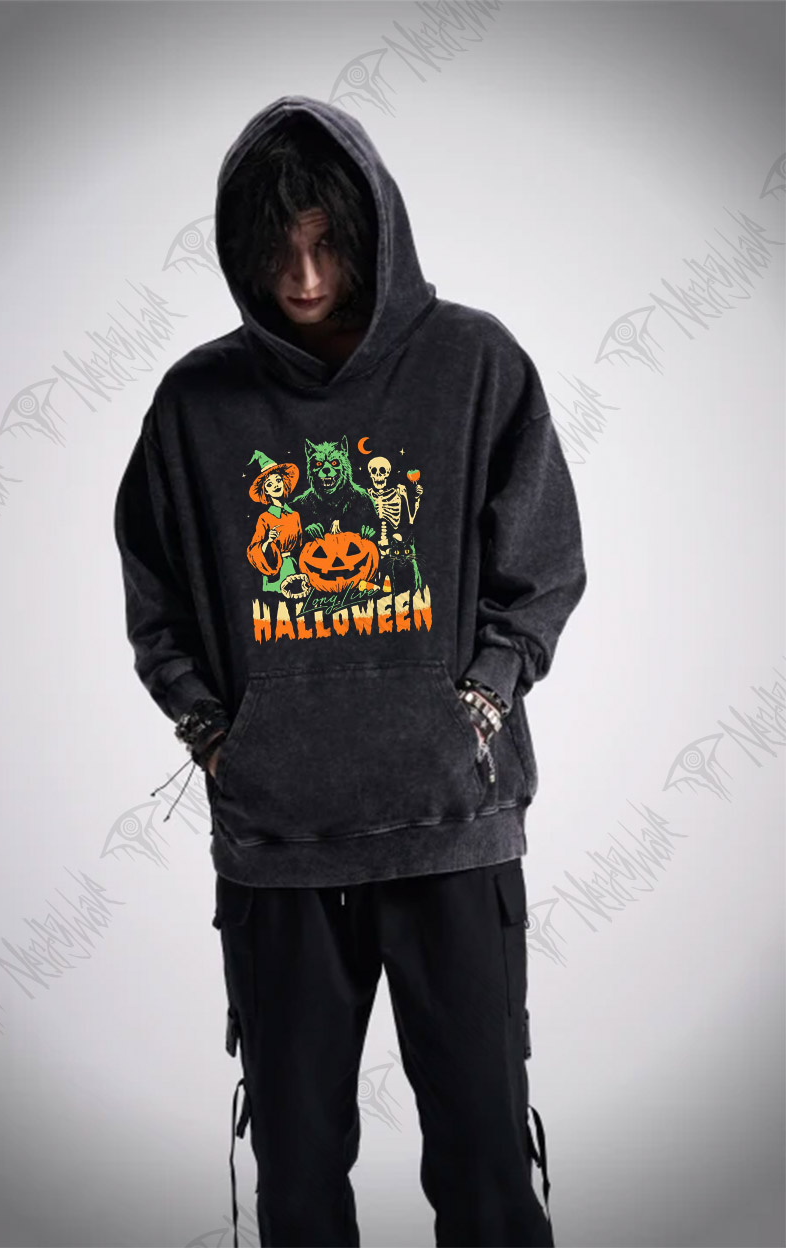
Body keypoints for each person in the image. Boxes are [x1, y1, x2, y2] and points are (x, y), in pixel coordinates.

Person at [114, 95, 587, 1248]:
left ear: (374, 231)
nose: (306, 276)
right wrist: (213, 732)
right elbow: (155, 597)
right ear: (240, 247)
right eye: (279, 247)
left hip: (451, 832)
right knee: (298, 1176)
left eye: (327, 242)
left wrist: (481, 698)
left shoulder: (475, 363)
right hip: (278, 849)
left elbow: (541, 566)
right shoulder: (194, 404)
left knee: (485, 1163)